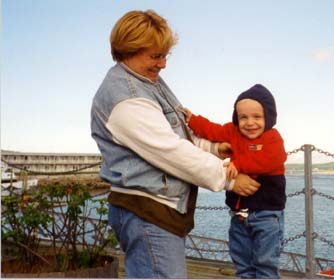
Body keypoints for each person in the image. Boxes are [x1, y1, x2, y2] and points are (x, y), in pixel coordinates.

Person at [90, 10, 260, 278]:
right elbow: (170, 150)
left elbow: (177, 134)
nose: (163, 64)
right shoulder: (126, 98)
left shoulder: (145, 81)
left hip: (154, 211)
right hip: (147, 212)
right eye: (155, 56)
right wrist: (227, 179)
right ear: (128, 50)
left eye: (164, 55)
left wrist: (215, 149)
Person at [183, 84, 287, 278]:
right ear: (236, 118)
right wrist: (193, 120)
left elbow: (270, 159)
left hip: (267, 216)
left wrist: (238, 164)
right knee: (242, 264)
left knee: (265, 266)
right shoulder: (233, 132)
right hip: (238, 216)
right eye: (243, 117)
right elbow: (212, 130)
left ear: (269, 117)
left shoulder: (272, 138)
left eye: (257, 117)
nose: (250, 123)